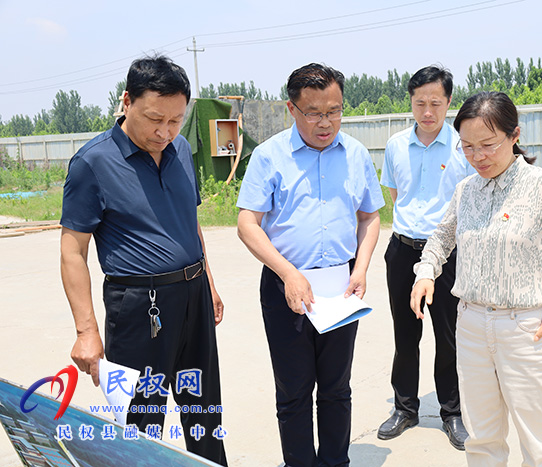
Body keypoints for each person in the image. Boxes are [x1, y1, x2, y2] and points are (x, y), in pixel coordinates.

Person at [410, 92, 542, 466]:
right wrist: (426, 272)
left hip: (525, 329)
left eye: (488, 145)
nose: (478, 157)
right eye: (467, 147)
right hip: (470, 325)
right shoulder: (465, 190)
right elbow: (441, 237)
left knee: (539, 445)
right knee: (482, 439)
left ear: (514, 135)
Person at [60, 55, 227, 465]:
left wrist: (208, 281)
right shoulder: (93, 163)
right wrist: (86, 331)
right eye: (155, 119)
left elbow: (190, 220)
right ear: (126, 102)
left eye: (175, 120)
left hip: (194, 297)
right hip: (140, 309)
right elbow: (72, 251)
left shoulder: (181, 149)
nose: (165, 132)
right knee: (141, 424)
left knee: (204, 411)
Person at [236, 63, 384, 467]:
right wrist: (287, 273)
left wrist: (361, 268)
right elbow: (248, 224)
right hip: (286, 287)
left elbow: (370, 217)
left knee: (337, 387)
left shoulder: (354, 154)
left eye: (334, 111)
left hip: (340, 285)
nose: (326, 122)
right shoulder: (269, 156)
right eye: (314, 113)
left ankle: (336, 461)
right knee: (294, 389)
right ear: (292, 109)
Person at [377, 65, 473, 450]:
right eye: (420, 103)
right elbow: (397, 195)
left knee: (449, 337)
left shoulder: (461, 146)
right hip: (403, 251)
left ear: (449, 102)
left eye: (436, 103)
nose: (428, 111)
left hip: (448, 255)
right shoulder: (396, 144)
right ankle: (405, 407)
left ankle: (452, 413)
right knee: (405, 334)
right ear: (411, 103)